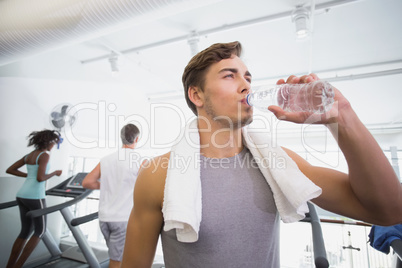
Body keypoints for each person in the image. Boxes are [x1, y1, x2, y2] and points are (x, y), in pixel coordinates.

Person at [120, 41, 402, 267]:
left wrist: (343, 117)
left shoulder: (278, 162)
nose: (246, 85)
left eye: (247, 77)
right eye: (230, 75)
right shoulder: (159, 175)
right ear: (197, 96)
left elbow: (388, 211)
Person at [82, 123, 141, 268]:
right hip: (123, 219)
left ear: (121, 138)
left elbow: (87, 182)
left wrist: (108, 185)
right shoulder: (139, 160)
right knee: (117, 261)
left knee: (118, 257)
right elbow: (145, 187)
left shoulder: (107, 159)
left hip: (105, 219)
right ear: (137, 139)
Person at [5, 129, 63, 268]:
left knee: (25, 231)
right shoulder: (44, 155)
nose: (54, 146)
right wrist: (55, 173)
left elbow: (10, 169)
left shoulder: (30, 155)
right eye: (54, 143)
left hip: (22, 195)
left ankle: (10, 266)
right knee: (40, 231)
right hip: (35, 196)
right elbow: (40, 178)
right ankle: (18, 266)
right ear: (48, 142)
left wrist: (28, 177)